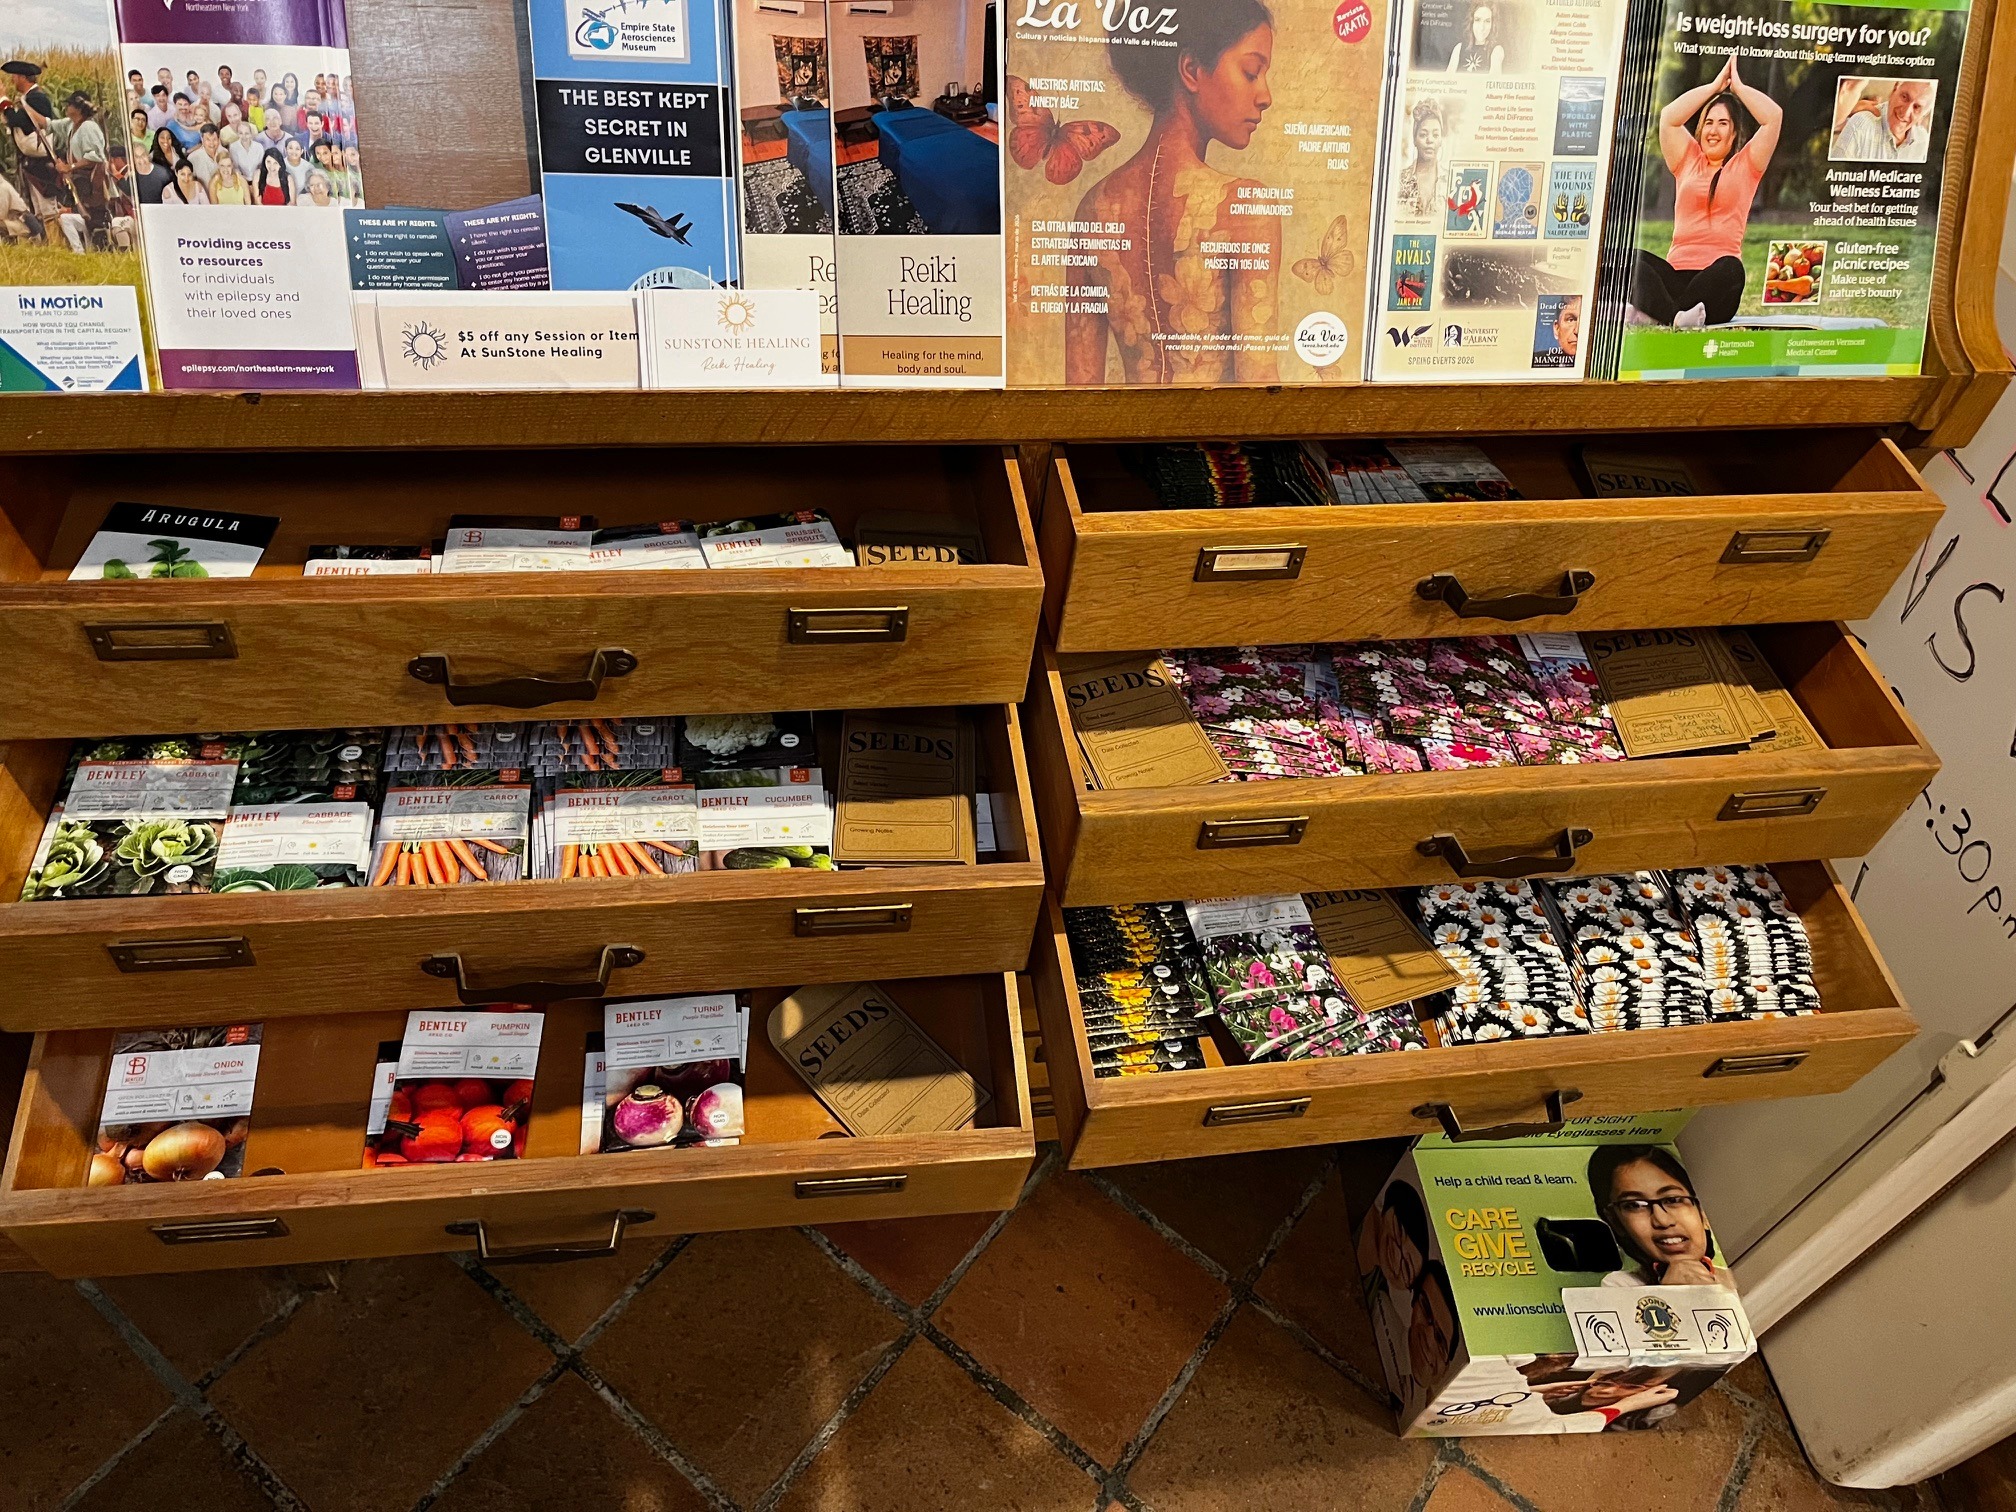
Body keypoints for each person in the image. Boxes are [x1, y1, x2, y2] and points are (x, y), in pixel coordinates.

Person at [1063, 0, 1281, 385]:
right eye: (1251, 72)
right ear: (1192, 70)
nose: (1265, 95)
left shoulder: (1092, 210)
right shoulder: (1246, 208)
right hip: (1215, 444)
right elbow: (1257, 388)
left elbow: (1079, 390)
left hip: (1127, 440)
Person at [1629, 55, 1781, 330]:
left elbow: (1773, 118)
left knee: (1731, 268)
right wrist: (1712, 87)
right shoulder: (1687, 159)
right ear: (1700, 129)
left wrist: (1738, 88)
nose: (1713, 130)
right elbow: (1669, 118)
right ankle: (1676, 317)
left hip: (1715, 289)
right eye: (1709, 122)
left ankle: (1655, 313)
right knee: (1626, 258)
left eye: (1723, 123)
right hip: (1675, 277)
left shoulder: (1747, 166)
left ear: (1734, 134)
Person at [1588, 1144, 1734, 1289]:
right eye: (1635, 1205)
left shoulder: (1745, 1277)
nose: (1662, 1221)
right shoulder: (1622, 1287)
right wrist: (1669, 1295)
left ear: (1703, 1210)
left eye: (1673, 1200)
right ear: (1615, 1221)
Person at [1834, 78, 1933, 162]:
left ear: (1922, 116)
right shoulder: (1862, 123)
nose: (1905, 113)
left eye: (1916, 107)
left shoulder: (1924, 141)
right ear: (1894, 90)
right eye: (1904, 97)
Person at [1394, 98, 1444, 218]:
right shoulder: (1399, 181)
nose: (1430, 140)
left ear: (1441, 140)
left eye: (1435, 135)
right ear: (1414, 139)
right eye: (1423, 134)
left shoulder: (1452, 181)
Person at [1446, 3, 1504, 73]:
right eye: (1477, 20)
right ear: (1471, 22)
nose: (1482, 27)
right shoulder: (1459, 48)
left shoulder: (1496, 51)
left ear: (1492, 25)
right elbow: (1447, 81)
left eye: (1487, 21)